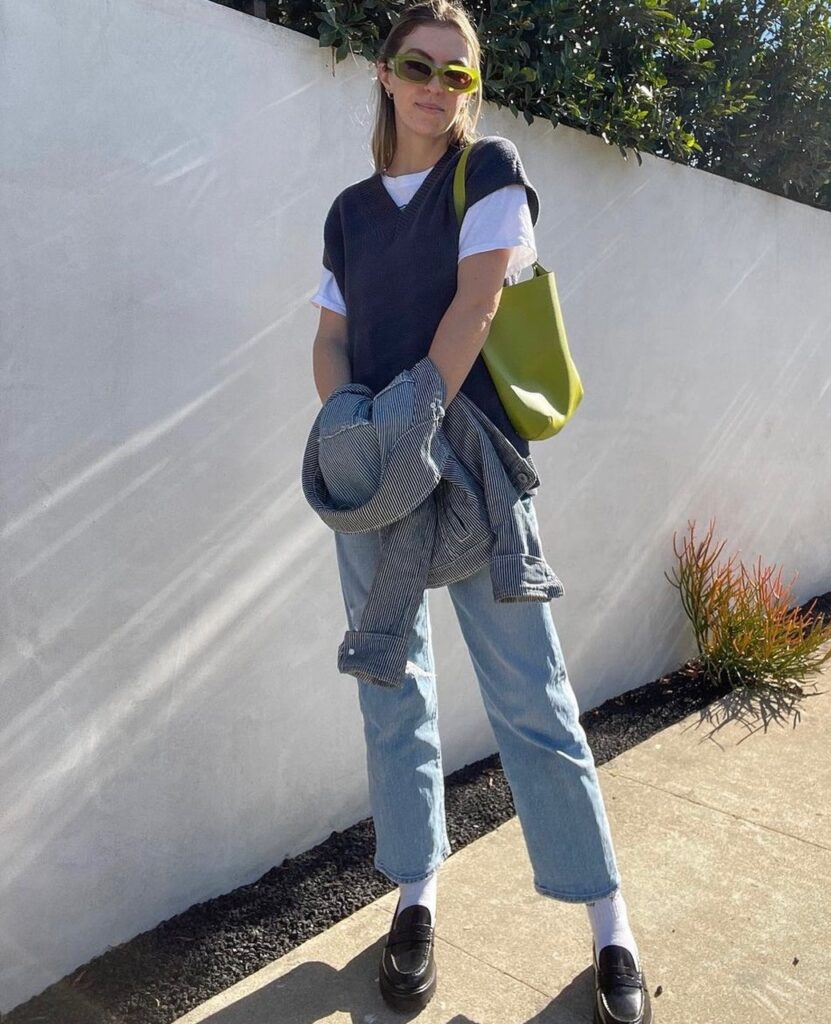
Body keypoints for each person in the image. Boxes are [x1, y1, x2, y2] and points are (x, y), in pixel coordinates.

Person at [309, 2, 652, 1021]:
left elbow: (480, 299)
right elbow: (329, 336)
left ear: (472, 89)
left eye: (454, 74)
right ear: (383, 74)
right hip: (377, 477)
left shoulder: (488, 169)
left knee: (533, 700)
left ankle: (609, 925)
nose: (433, 85)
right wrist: (346, 421)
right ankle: (415, 898)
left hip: (474, 469)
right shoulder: (348, 211)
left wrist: (414, 411)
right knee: (392, 688)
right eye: (416, 65)